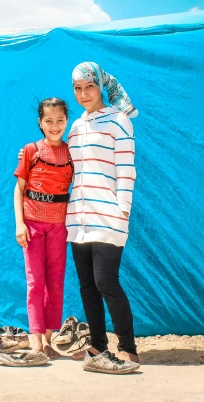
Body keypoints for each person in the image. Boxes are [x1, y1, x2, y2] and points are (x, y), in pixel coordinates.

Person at [67, 61, 140, 375]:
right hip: (78, 218)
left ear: (100, 85)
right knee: (87, 287)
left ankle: (128, 347)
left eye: (89, 86)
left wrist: (122, 210)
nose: (84, 94)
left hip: (108, 215)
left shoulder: (119, 120)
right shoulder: (76, 125)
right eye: (78, 88)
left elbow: (126, 169)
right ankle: (97, 344)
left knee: (105, 282)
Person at [13, 97, 73, 360]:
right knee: (35, 283)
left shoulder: (73, 153)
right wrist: (19, 224)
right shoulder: (30, 151)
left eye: (60, 120)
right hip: (33, 226)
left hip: (60, 226)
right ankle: (35, 340)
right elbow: (19, 190)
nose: (55, 125)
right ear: (40, 123)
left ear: (66, 121)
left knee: (55, 283)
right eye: (49, 121)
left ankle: (49, 340)